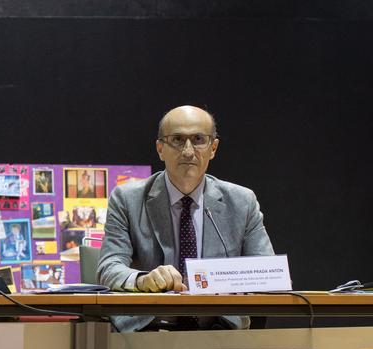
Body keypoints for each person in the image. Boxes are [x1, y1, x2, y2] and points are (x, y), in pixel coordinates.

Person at [97, 105, 274, 332]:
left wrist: (232, 279)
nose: (188, 151)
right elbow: (108, 268)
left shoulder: (242, 201)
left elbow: (266, 272)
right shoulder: (127, 199)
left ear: (213, 148)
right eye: (178, 140)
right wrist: (142, 280)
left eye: (199, 139)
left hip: (220, 330)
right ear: (160, 148)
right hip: (148, 330)